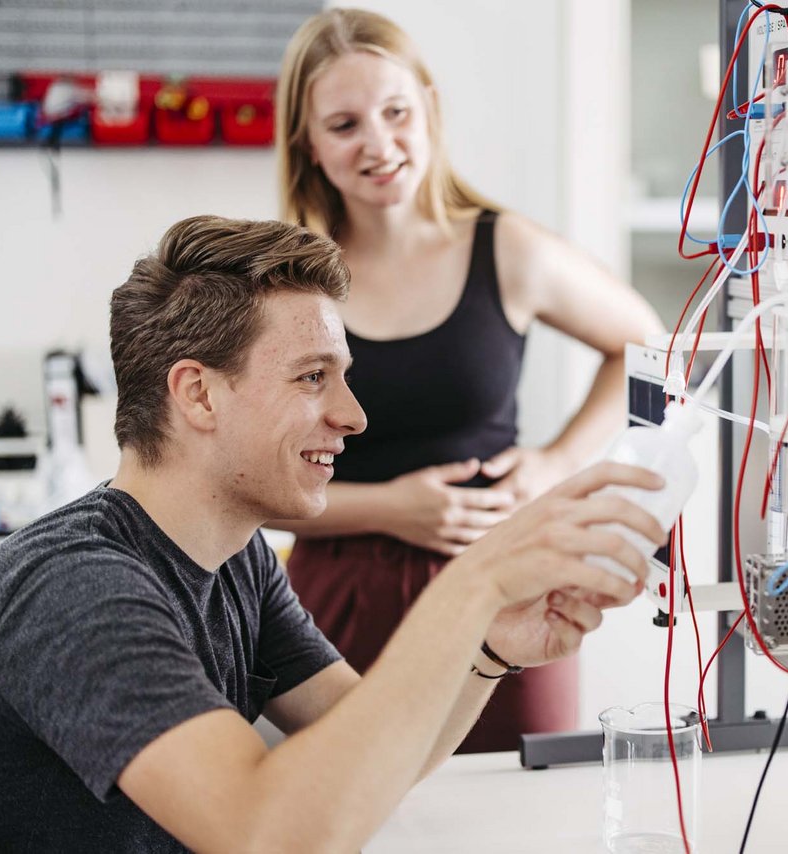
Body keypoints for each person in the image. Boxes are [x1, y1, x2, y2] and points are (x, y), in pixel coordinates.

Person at [0, 215, 666, 852]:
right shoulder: (72, 587)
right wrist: (473, 580)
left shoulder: (236, 555)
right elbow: (262, 831)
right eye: (313, 378)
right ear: (198, 394)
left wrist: (486, 643)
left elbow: (374, 749)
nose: (354, 416)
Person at [268, 7, 664, 751]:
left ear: (430, 109)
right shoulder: (286, 286)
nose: (379, 145)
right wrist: (390, 508)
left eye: (396, 112)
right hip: (338, 607)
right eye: (346, 124)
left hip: (507, 588)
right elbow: (250, 493)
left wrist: (557, 460)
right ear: (308, 144)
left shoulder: (507, 248)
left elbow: (648, 346)